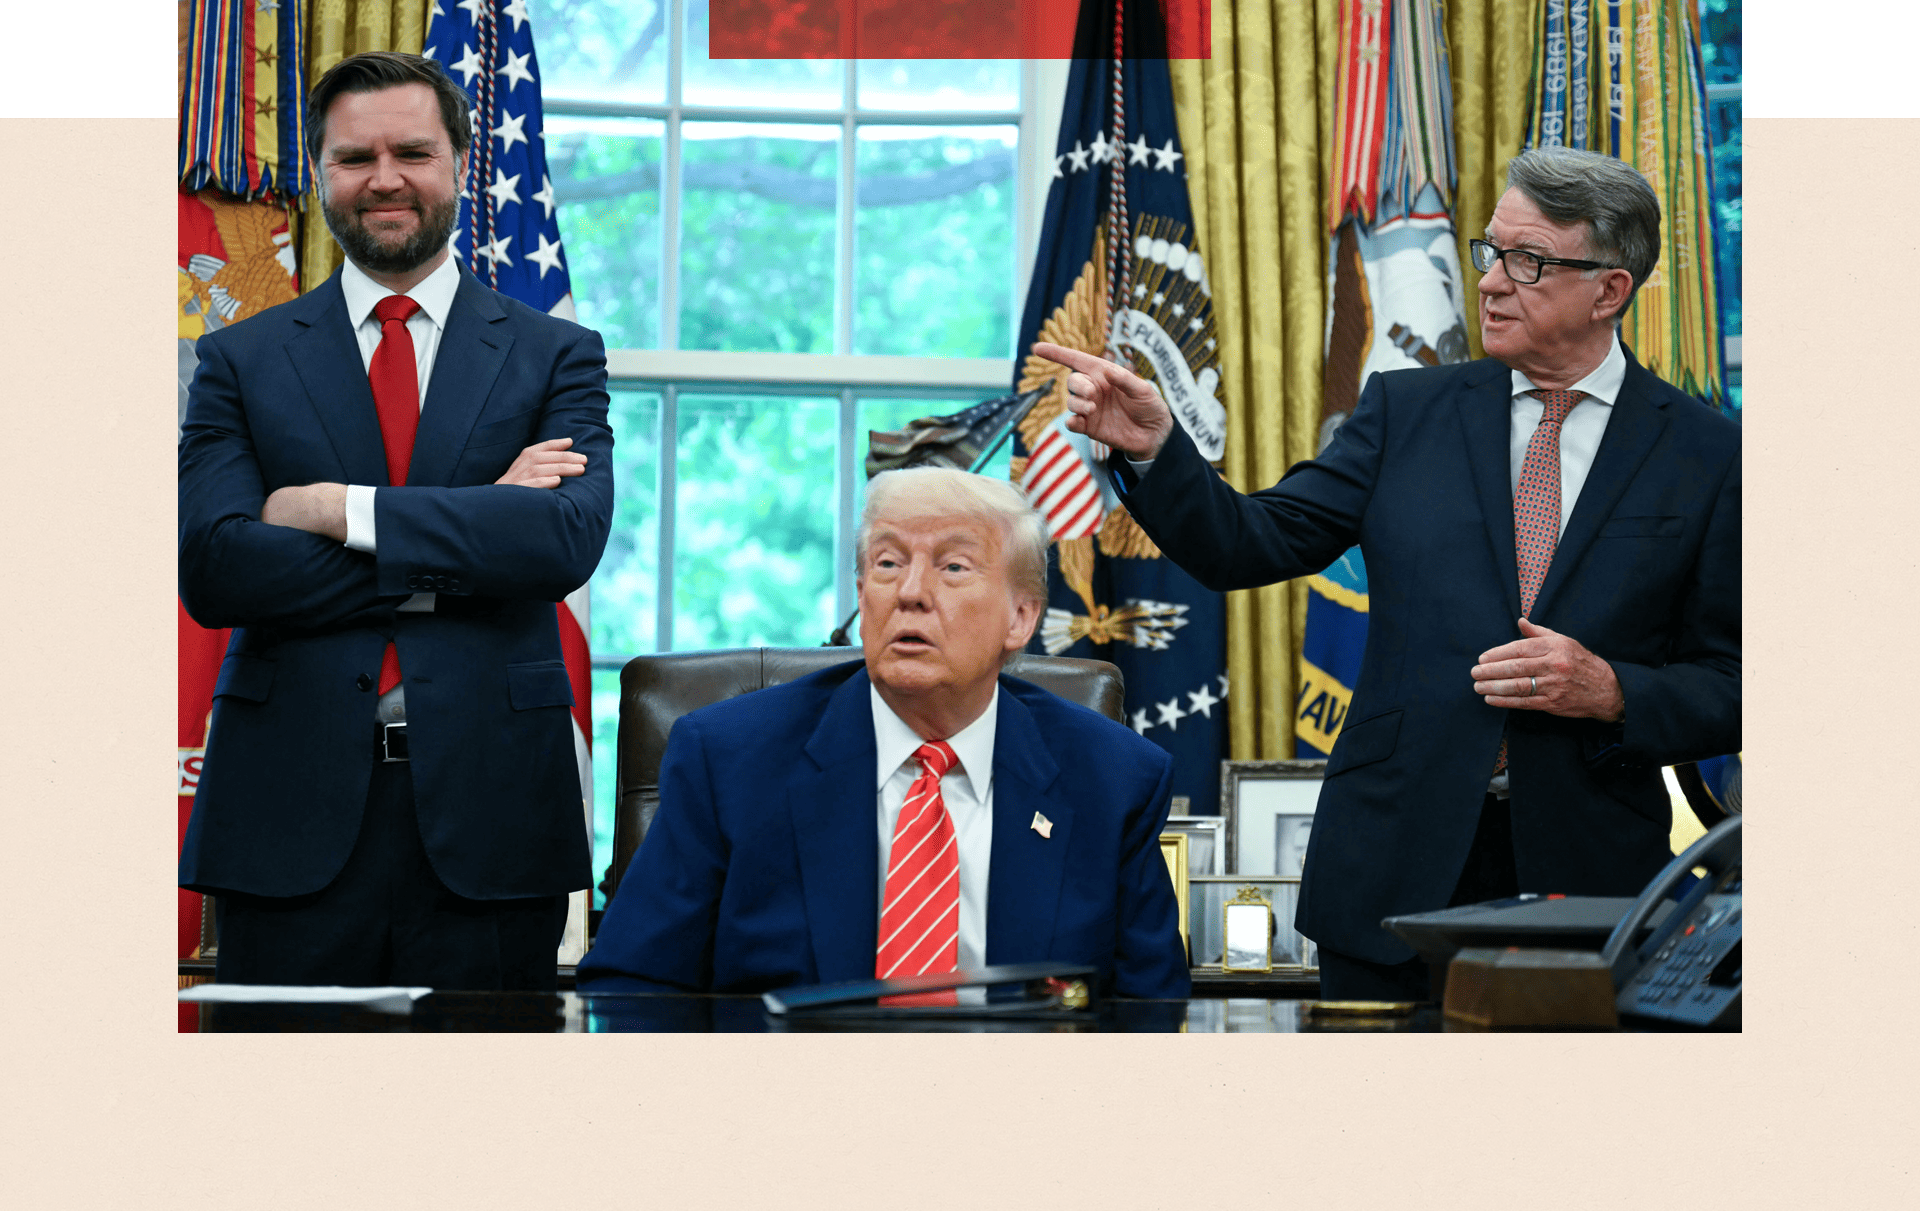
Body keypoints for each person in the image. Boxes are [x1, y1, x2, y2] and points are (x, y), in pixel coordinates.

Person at [1043, 145, 1740, 1001]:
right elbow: (1246, 543)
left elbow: (1735, 684)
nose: (1490, 282)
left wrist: (1614, 691)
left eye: (1529, 262)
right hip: (1390, 874)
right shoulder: (1406, 412)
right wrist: (1156, 450)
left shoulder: (1708, 455)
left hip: (1590, 885)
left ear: (1609, 291)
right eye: (1491, 251)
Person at [177, 52, 614, 990]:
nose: (384, 178)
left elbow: (561, 543)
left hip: (495, 816)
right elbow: (217, 570)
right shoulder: (238, 361)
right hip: (284, 810)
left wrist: (339, 512)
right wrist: (479, 529)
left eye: (412, 151)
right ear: (321, 172)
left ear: (460, 160)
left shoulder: (555, 356)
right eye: (353, 157)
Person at [578, 468, 1190, 999]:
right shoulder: (732, 761)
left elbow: (1149, 1016)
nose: (911, 592)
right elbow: (635, 987)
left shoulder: (1111, 780)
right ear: (862, 592)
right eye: (888, 563)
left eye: (953, 566)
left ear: (1020, 617)